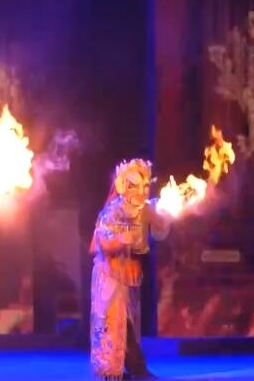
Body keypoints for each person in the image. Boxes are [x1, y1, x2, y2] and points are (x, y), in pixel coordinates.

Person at [89, 159, 170, 380]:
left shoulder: (145, 210)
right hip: (110, 274)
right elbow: (102, 241)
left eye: (145, 185)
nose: (141, 191)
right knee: (112, 322)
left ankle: (134, 367)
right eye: (134, 185)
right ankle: (111, 371)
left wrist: (162, 219)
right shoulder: (113, 211)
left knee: (129, 323)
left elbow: (160, 230)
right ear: (124, 185)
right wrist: (120, 240)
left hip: (131, 275)